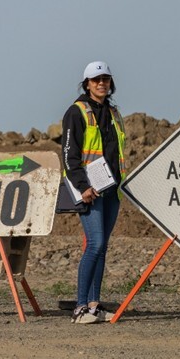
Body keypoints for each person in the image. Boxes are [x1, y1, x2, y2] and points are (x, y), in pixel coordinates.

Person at [62, 61, 126, 324]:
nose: (101, 83)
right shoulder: (76, 113)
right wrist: (82, 186)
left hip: (111, 189)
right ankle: (79, 308)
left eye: (106, 79)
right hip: (90, 190)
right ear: (86, 83)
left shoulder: (113, 112)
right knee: (95, 244)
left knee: (102, 248)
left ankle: (93, 305)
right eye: (96, 79)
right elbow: (69, 155)